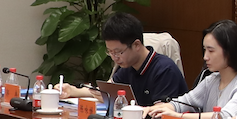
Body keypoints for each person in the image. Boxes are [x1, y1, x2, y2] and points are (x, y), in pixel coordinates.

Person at [58, 13, 187, 107]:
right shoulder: (128, 66)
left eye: (118, 52)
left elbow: (160, 112)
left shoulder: (164, 70)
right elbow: (105, 91)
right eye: (110, 52)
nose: (115, 58)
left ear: (136, 45)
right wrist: (73, 91)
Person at [144, 20, 237, 119]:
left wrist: (178, 116)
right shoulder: (211, 80)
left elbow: (224, 117)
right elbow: (183, 103)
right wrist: (151, 109)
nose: (205, 57)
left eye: (211, 51)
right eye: (204, 50)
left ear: (230, 52)